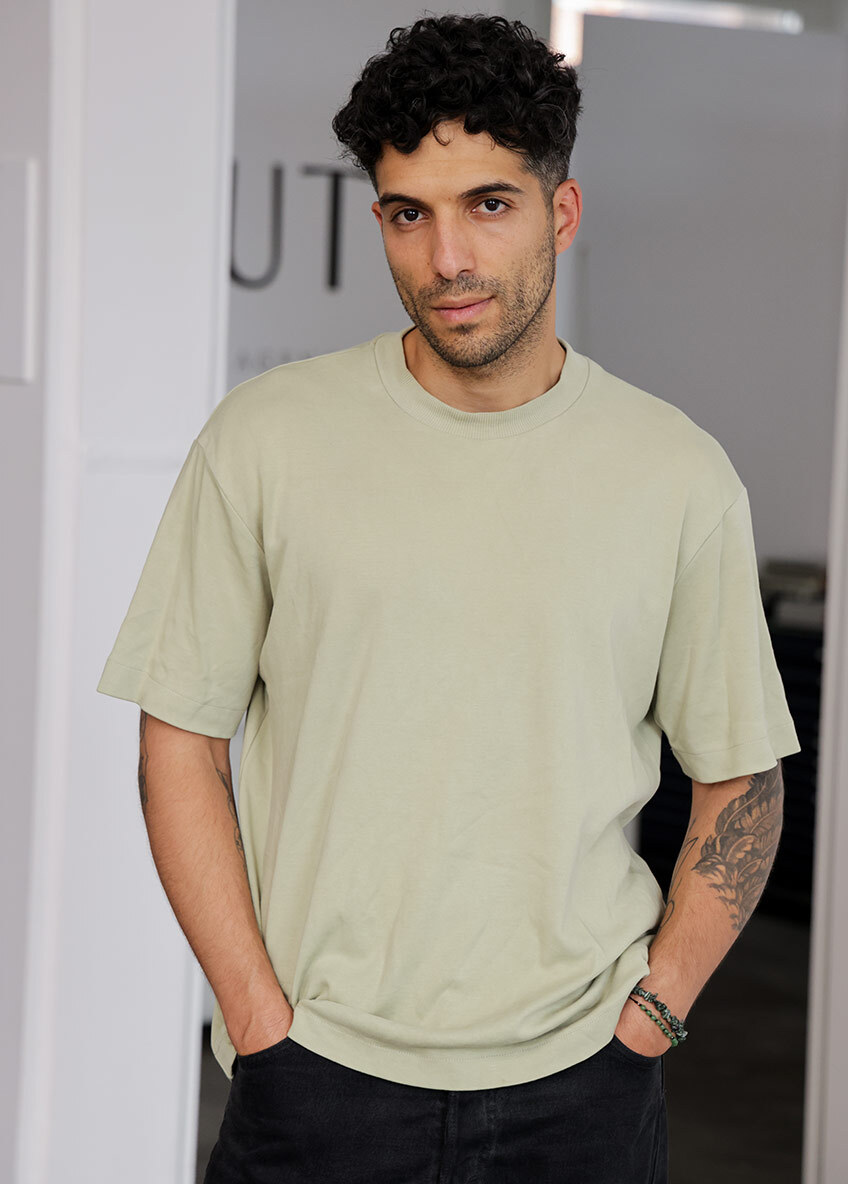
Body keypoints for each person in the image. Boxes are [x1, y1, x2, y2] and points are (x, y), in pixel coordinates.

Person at [96, 13, 801, 1183]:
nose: (446, 259)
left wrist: (653, 1012)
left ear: (559, 213)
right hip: (315, 1074)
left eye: (487, 203)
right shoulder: (266, 440)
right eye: (406, 214)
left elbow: (742, 775)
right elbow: (179, 737)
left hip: (582, 1084)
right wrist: (257, 1016)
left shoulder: (673, 474)